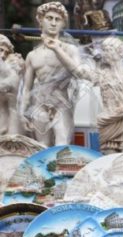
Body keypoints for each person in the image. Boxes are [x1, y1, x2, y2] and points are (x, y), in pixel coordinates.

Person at [62, 37, 123, 154]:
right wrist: (57, 50)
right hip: (107, 122)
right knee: (108, 157)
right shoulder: (102, 75)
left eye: (109, 50)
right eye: (104, 50)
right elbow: (79, 72)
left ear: (120, 53)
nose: (105, 53)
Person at [20, 2, 77, 146]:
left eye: (58, 19)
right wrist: (22, 112)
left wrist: (57, 49)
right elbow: (26, 88)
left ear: (63, 24)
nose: (53, 23)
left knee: (62, 146)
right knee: (42, 147)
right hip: (39, 105)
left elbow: (79, 72)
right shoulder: (32, 55)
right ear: (40, 20)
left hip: (61, 104)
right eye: (49, 18)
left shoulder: (69, 49)